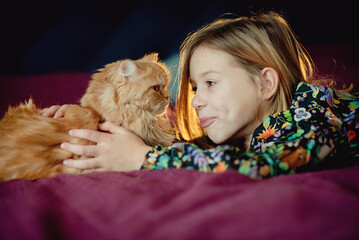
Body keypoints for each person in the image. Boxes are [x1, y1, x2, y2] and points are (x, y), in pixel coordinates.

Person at [41, 12, 359, 179]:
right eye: (194, 88)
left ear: (265, 84)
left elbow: (260, 166)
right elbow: (191, 152)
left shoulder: (311, 114)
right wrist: (84, 121)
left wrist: (141, 159)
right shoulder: (251, 131)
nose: (194, 102)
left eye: (210, 83)